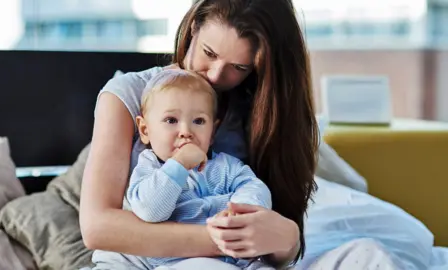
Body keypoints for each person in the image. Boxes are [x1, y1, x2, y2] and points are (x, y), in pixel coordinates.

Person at [81, 0, 317, 269]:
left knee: (366, 253)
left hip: (237, 261)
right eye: (209, 53)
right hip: (144, 263)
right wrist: (226, 239)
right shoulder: (128, 94)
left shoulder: (262, 113)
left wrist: (287, 237)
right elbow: (97, 228)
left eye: (239, 67)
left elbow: (275, 243)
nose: (216, 75)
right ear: (194, 26)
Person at [94, 69, 275, 270]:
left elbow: (255, 188)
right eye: (171, 120)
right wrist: (178, 164)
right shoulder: (149, 169)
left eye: (198, 121)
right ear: (145, 130)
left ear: (212, 132)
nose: (186, 132)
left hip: (229, 260)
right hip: (168, 262)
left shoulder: (226, 166)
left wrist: (240, 212)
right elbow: (150, 211)